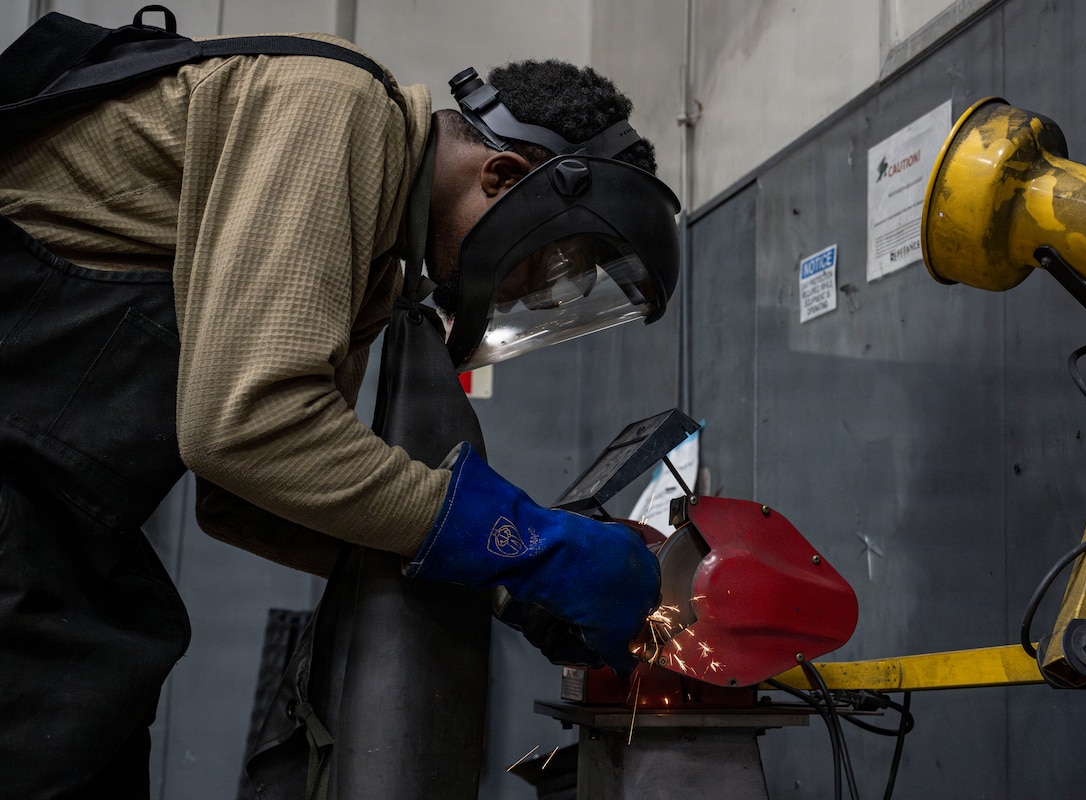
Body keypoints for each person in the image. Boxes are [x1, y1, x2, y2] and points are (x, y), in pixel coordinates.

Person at [0, 14, 680, 799]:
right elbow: (251, 431)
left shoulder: (376, 262)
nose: (531, 293)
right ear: (501, 176)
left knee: (100, 690)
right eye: (552, 263)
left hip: (56, 514)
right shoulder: (336, 105)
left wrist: (505, 582)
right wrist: (525, 543)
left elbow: (247, 499)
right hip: (27, 506)